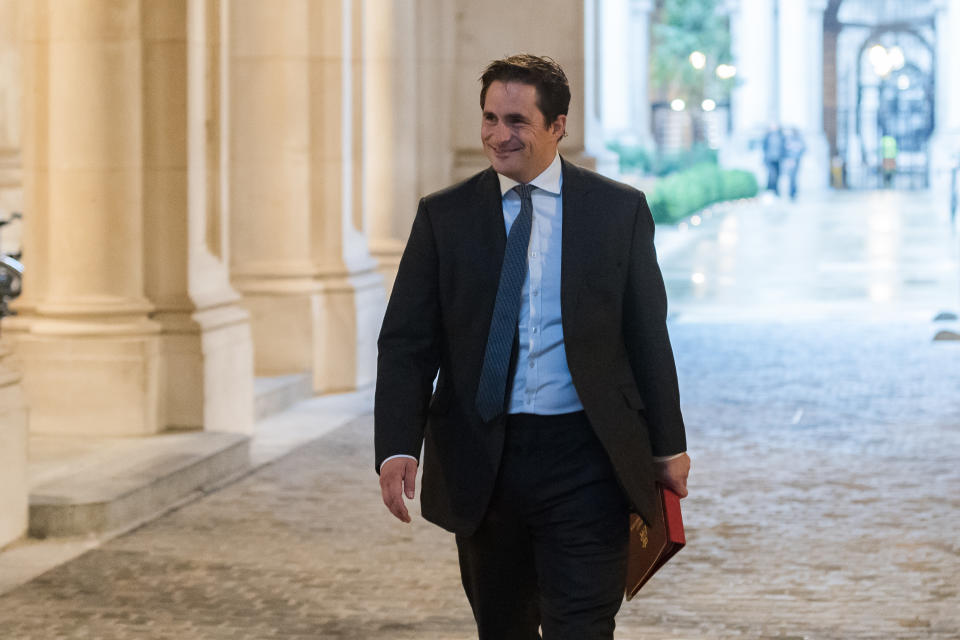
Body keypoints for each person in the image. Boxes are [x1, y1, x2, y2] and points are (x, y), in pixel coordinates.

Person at [375, 54, 689, 639]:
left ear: (557, 126)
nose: (499, 135)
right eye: (490, 118)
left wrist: (668, 446)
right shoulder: (444, 217)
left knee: (582, 626)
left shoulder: (617, 211)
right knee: (504, 626)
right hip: (485, 459)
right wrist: (397, 446)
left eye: (517, 121)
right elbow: (408, 343)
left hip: (587, 456)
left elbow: (647, 334)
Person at [783, 127, 806, 200]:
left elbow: (804, 149)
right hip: (790, 160)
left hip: (797, 160)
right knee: (790, 176)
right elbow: (785, 149)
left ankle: (794, 192)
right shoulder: (788, 139)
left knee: (794, 177)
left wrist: (797, 157)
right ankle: (791, 192)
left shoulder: (800, 140)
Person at [762, 124, 785, 195]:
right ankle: (770, 190)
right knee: (772, 175)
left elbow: (784, 147)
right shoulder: (767, 136)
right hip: (770, 159)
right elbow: (764, 148)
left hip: (778, 159)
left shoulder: (781, 136)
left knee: (778, 175)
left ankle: (775, 191)